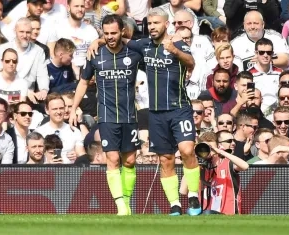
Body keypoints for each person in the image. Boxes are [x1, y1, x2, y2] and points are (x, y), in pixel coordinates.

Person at [87, 7, 200, 216]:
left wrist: (176, 52)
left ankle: (193, 194)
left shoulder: (178, 43)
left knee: (186, 151)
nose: (152, 27)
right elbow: (118, 40)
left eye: (156, 23)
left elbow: (191, 62)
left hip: (179, 108)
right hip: (156, 112)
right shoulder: (144, 46)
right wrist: (98, 41)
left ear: (166, 24)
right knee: (165, 158)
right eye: (149, 23)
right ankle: (174, 203)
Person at [70, 15, 141, 216]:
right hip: (107, 116)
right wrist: (74, 107)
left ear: (122, 32)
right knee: (112, 159)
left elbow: (149, 46)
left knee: (129, 161)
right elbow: (83, 82)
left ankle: (126, 203)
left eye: (113, 33)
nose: (110, 37)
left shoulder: (134, 53)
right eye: (106, 33)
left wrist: (99, 40)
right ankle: (121, 207)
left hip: (129, 115)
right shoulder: (95, 55)